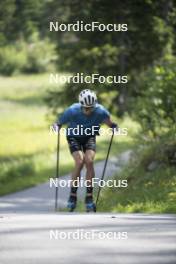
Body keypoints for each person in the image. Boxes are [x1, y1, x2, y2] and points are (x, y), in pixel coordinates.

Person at [54, 89, 117, 212]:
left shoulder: (101, 111)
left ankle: (89, 197)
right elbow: (58, 123)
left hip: (89, 136)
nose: (88, 111)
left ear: (95, 105)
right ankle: (73, 195)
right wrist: (56, 127)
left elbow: (110, 123)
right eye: (85, 108)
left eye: (91, 108)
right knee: (79, 161)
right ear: (81, 105)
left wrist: (114, 127)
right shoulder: (72, 110)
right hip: (74, 136)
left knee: (89, 161)